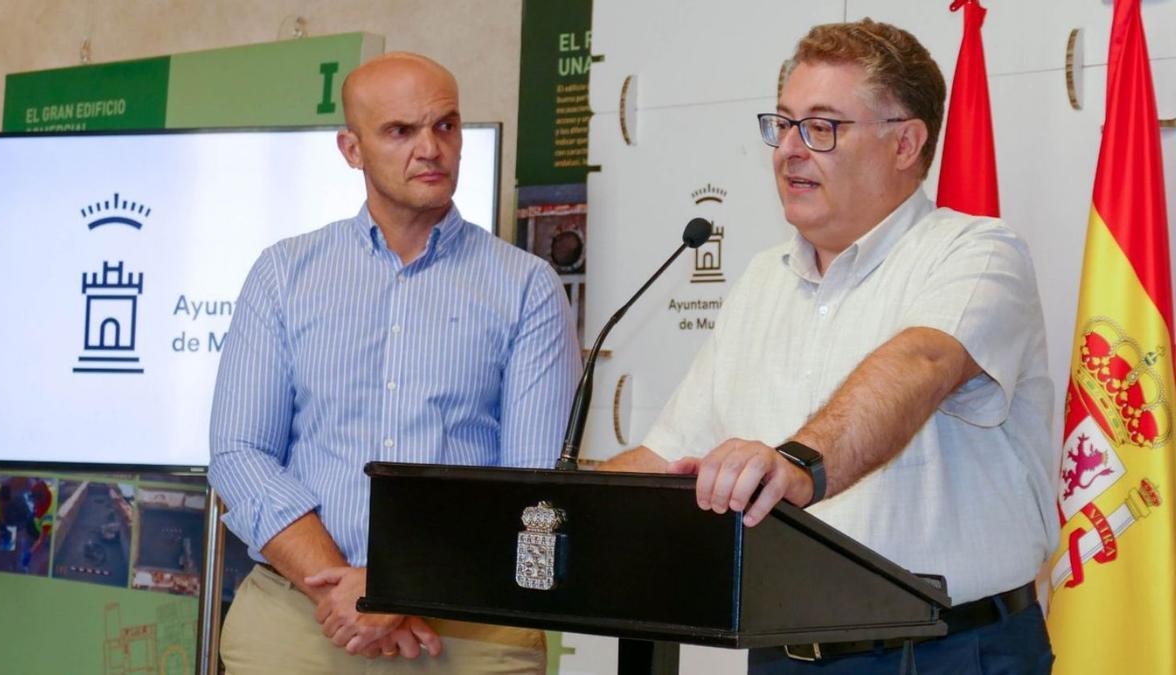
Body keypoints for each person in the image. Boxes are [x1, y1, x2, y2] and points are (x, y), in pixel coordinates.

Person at [602, 19, 1056, 674]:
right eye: (782, 124)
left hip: (945, 651)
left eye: (821, 127)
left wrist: (795, 464)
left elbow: (919, 363)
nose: (788, 149)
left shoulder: (976, 252)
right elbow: (670, 456)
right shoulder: (763, 279)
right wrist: (551, 509)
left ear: (906, 143)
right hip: (782, 652)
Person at [208, 52, 581, 675]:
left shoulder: (527, 286)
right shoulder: (284, 274)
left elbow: (533, 485)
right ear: (351, 149)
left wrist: (393, 590)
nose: (430, 148)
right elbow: (240, 452)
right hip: (298, 624)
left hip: (468, 633)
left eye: (446, 126)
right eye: (400, 131)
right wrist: (343, 591)